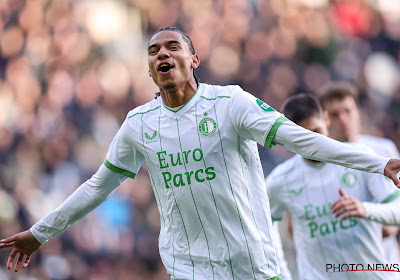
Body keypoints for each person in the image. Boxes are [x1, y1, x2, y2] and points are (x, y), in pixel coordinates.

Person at [1, 27, 400, 280]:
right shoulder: (139, 124)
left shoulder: (231, 104)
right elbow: (97, 187)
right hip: (191, 269)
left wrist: (379, 163)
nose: (162, 54)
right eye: (154, 51)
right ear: (150, 71)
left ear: (193, 60)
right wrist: (40, 233)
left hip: (255, 267)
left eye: (172, 47)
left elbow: (304, 140)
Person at [266, 93, 400, 280]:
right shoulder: (280, 180)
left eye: (316, 132)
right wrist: (281, 273)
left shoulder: (362, 157)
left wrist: (365, 209)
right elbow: (263, 228)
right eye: (301, 138)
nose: (310, 145)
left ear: (326, 120)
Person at [318, 81, 400, 264]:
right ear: (325, 119)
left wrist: (392, 227)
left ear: (358, 113)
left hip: (385, 263)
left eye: (347, 111)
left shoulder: (384, 150)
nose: (343, 119)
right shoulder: (318, 161)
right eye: (335, 114)